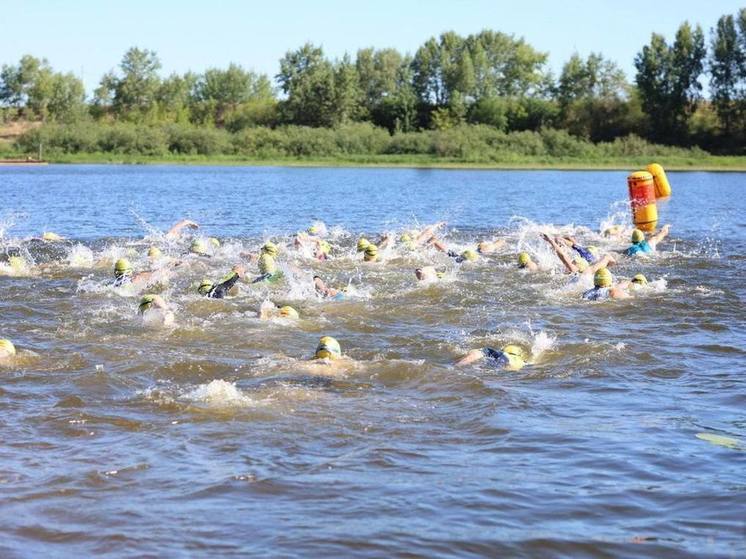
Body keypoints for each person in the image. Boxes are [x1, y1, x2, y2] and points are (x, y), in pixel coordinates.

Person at [541, 233, 616, 277]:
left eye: (573, 263)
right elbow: (607, 257)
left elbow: (563, 257)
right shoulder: (589, 271)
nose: (570, 263)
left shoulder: (576, 271)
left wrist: (551, 241)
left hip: (590, 254)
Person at [455, 344, 527, 370]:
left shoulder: (504, 353)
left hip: (503, 358)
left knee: (482, 352)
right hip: (509, 366)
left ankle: (458, 365)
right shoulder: (524, 362)